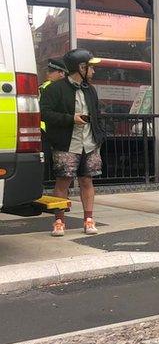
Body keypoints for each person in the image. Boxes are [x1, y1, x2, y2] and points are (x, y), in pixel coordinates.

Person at [39, 49, 104, 237]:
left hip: (90, 143)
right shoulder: (54, 88)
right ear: (81, 68)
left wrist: (100, 135)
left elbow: (97, 114)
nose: (93, 72)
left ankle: (88, 220)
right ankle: (59, 222)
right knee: (63, 181)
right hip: (66, 144)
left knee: (87, 180)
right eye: (91, 68)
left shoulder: (90, 90)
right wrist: (71, 118)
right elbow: (44, 113)